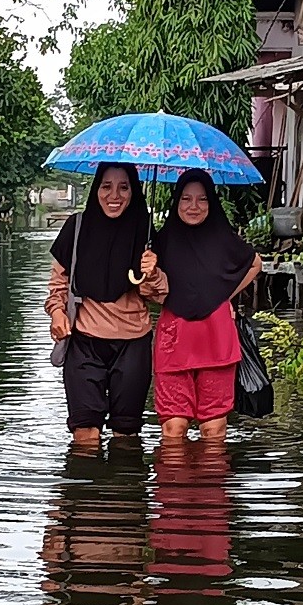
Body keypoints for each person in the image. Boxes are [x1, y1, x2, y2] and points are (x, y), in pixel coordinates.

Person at [46, 163, 160, 445]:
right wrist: (57, 313)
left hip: (133, 343)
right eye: (106, 186)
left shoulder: (144, 231)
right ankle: (85, 488)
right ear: (96, 189)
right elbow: (57, 285)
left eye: (124, 187)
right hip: (84, 341)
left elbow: (158, 295)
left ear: (134, 192)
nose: (114, 195)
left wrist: (153, 272)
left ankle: (121, 488)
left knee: (126, 437)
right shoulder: (77, 227)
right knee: (85, 435)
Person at [144, 169, 261, 441]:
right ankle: (174, 484)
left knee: (214, 429)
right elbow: (148, 291)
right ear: (176, 202)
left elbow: (255, 264)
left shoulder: (224, 238)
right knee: (173, 429)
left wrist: (224, 295)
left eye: (202, 199)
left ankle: (210, 483)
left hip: (217, 338)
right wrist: (149, 270)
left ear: (211, 202)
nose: (193, 207)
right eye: (186, 199)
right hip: (174, 339)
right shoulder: (160, 241)